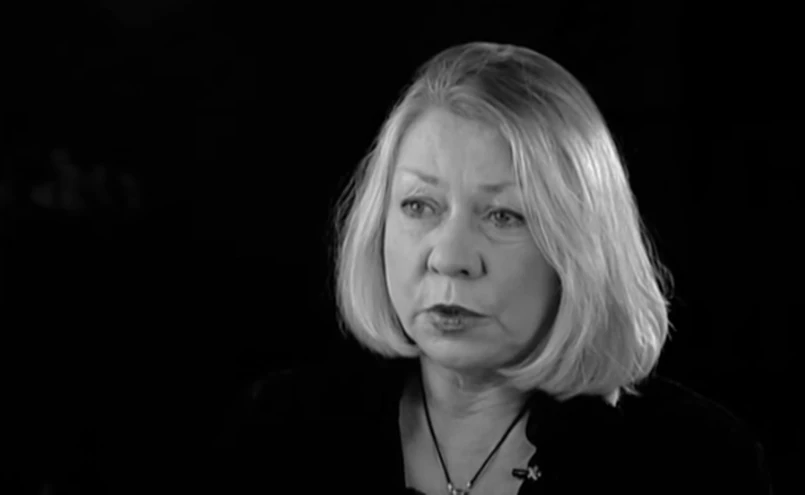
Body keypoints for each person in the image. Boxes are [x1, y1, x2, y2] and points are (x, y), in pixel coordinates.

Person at [204, 42, 773, 495]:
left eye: (504, 216)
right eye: (419, 206)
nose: (450, 258)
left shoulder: (694, 463)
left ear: (579, 247)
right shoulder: (279, 434)